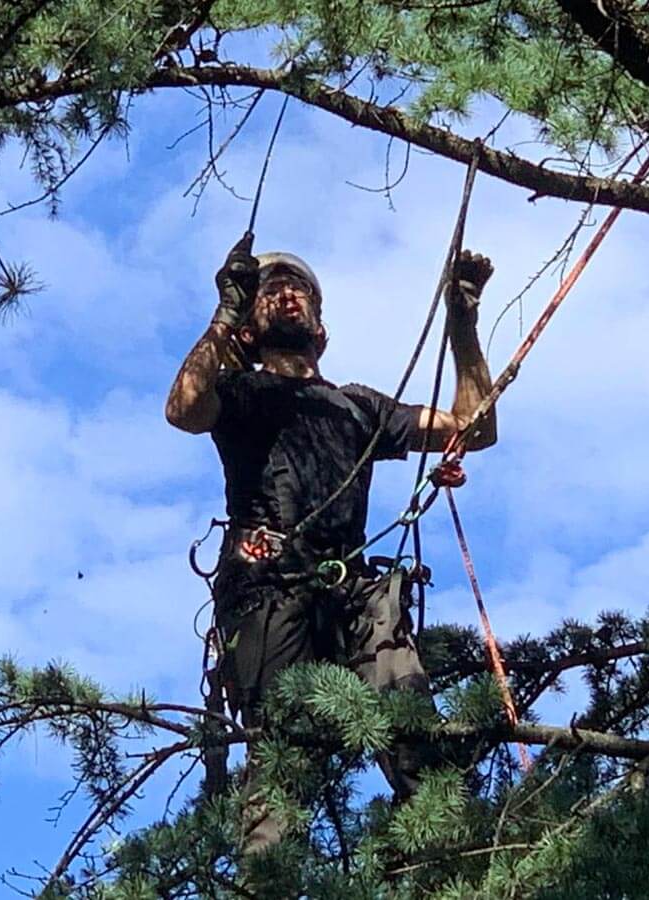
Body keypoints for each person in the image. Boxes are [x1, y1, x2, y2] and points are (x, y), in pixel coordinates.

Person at [164, 232, 499, 855]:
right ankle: (263, 880)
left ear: (321, 330)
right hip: (269, 594)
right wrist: (224, 313)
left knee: (412, 733)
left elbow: (473, 431)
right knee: (282, 764)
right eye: (269, 290)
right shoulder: (238, 394)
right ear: (248, 329)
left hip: (354, 595)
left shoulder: (358, 407)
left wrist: (462, 326)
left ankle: (451, 861)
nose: (285, 294)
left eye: (298, 289)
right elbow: (183, 407)